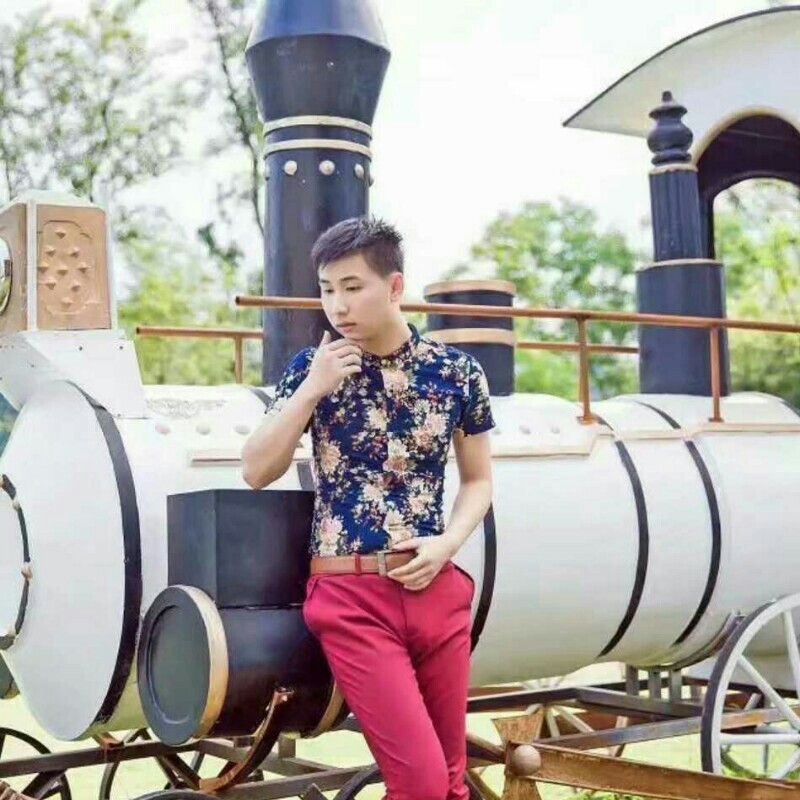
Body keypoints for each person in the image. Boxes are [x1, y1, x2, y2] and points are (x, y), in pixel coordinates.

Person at [242, 216, 495, 800]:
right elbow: (256, 470)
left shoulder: (457, 373)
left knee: (451, 786)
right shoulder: (310, 370)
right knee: (422, 786)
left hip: (435, 589)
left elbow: (479, 481)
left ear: (395, 286)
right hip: (352, 596)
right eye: (327, 289)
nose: (338, 305)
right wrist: (313, 388)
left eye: (352, 287)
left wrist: (448, 545)